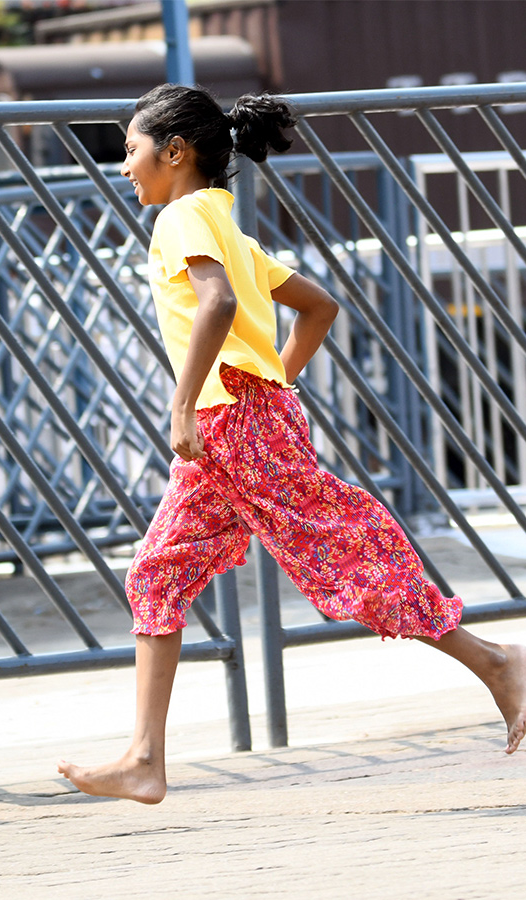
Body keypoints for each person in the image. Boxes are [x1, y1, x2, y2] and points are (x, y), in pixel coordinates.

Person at [58, 84, 526, 803]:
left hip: (230, 423)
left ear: (174, 154)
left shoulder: (182, 218)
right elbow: (318, 306)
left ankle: (498, 661)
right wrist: (271, 382)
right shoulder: (226, 224)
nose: (125, 167)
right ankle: (144, 760)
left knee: (339, 553)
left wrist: (188, 402)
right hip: (240, 419)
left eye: (131, 151)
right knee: (156, 574)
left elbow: (216, 302)